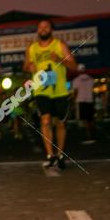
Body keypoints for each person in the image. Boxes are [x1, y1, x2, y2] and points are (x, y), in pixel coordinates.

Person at [24, 19, 76, 169]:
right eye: (40, 27)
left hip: (59, 90)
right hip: (41, 90)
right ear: (38, 30)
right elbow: (26, 66)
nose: (43, 29)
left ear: (51, 29)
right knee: (45, 120)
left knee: (60, 123)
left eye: (46, 26)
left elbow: (73, 65)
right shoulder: (32, 48)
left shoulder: (60, 45)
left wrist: (60, 59)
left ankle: (60, 154)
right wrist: (29, 67)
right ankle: (50, 155)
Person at [71, 64, 95, 144]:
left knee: (83, 119)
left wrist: (74, 102)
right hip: (90, 100)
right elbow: (92, 90)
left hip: (80, 101)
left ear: (78, 70)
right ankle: (91, 134)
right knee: (90, 118)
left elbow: (75, 92)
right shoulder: (91, 79)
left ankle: (87, 135)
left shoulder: (76, 80)